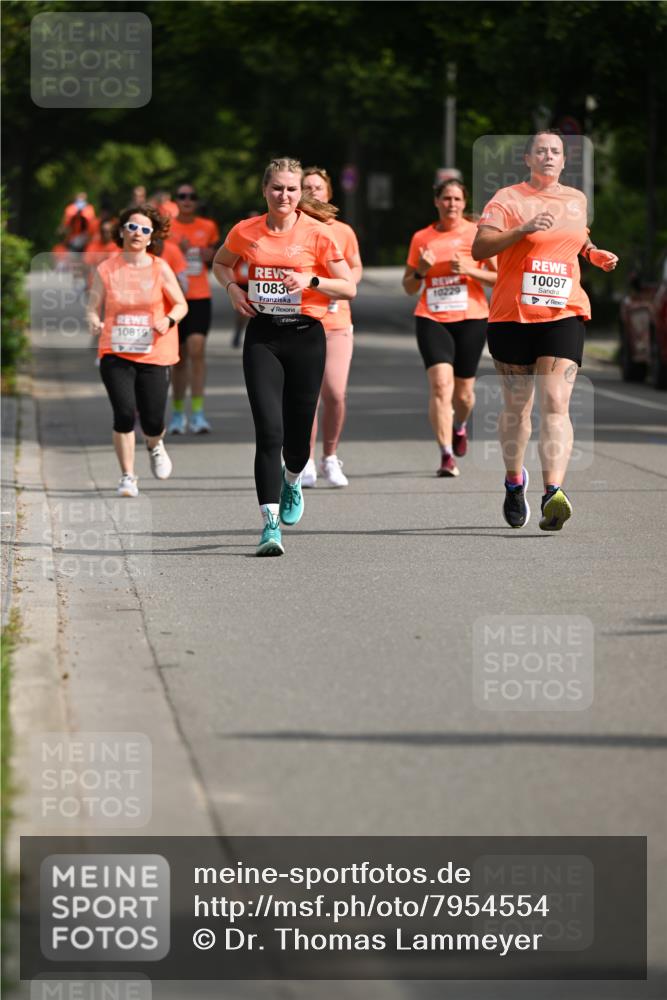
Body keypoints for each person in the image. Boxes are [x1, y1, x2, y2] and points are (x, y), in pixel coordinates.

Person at [472, 130, 618, 530]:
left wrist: (592, 253)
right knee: (517, 408)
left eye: (556, 151)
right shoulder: (507, 199)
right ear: (528, 158)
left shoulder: (576, 199)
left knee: (557, 402)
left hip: (564, 312)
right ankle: (514, 481)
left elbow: (577, 236)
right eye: (542, 150)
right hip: (511, 316)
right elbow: (480, 249)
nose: (549, 156)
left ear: (563, 161)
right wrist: (523, 229)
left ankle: (553, 491)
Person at [212, 157, 356, 556]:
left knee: (296, 440)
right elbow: (221, 263)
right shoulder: (246, 231)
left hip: (307, 337)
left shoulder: (318, 233)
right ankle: (269, 524)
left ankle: (293, 480)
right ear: (265, 190)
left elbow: (348, 287)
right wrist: (233, 289)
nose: (285, 195)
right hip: (263, 337)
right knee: (268, 432)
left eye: (292, 189)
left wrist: (311, 280)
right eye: (277, 188)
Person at [86, 204, 188, 497]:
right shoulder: (107, 267)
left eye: (145, 229)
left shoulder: (160, 267)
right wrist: (94, 319)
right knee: (124, 414)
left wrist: (167, 319)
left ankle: (155, 444)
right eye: (132, 227)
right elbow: (93, 305)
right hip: (115, 351)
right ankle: (128, 476)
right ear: (121, 231)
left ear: (151, 238)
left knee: (153, 419)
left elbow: (181, 304)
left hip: (154, 351)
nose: (137, 233)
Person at [403, 179, 497, 477]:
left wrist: (468, 269)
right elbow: (408, 287)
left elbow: (499, 278)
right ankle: (445, 455)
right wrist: (420, 270)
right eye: (446, 198)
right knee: (441, 386)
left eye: (457, 199)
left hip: (471, 318)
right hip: (432, 317)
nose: (451, 204)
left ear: (463, 202)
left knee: (465, 395)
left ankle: (460, 426)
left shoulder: (477, 234)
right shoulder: (422, 238)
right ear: (437, 202)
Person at [299, 167, 363, 488]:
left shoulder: (343, 231)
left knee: (335, 393)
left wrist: (339, 288)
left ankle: (330, 457)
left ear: (328, 193)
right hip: (301, 321)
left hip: (337, 322)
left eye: (318, 188)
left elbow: (355, 270)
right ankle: (305, 460)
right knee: (307, 395)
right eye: (306, 187)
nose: (312, 192)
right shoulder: (293, 230)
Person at [167, 184, 220, 434]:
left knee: (197, 350)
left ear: (197, 202)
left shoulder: (207, 226)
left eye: (192, 196)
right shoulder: (167, 227)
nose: (187, 200)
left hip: (199, 297)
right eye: (182, 196)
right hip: (174, 298)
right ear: (176, 200)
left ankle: (198, 414)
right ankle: (178, 414)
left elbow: (216, 256)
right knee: (178, 359)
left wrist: (201, 252)